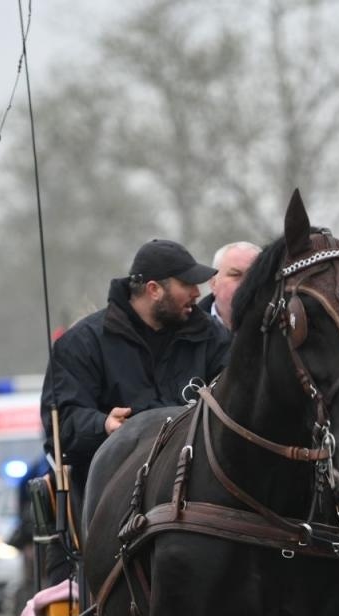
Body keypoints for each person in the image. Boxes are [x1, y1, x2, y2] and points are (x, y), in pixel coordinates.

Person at [37, 238, 231, 584]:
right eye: (187, 284)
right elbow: (60, 424)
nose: (197, 294)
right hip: (114, 495)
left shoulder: (211, 337)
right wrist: (102, 425)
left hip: (199, 489)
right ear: (154, 289)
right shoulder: (82, 343)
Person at [199, 241, 261, 330]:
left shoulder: (282, 330)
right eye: (235, 275)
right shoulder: (184, 331)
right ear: (213, 283)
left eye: (253, 276)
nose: (245, 283)